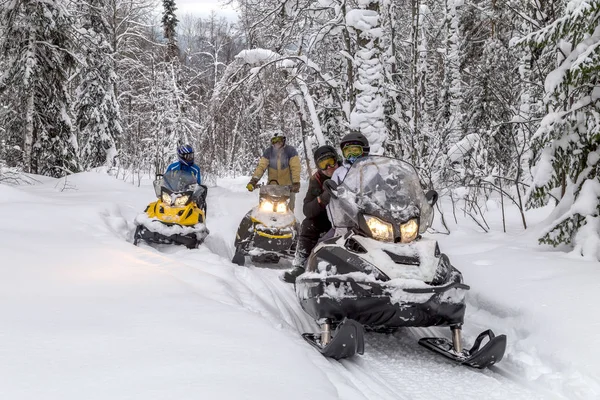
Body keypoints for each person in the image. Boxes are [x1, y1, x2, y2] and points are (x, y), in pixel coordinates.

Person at [281, 145, 340, 283]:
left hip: (352, 215)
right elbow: (307, 209)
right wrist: (321, 199)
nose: (329, 167)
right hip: (328, 219)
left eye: (331, 161)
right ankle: (300, 265)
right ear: (319, 167)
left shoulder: (348, 171)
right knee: (308, 224)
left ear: (337, 159)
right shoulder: (317, 180)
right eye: (323, 164)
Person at [246, 132, 301, 210]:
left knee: (289, 211)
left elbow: (295, 167)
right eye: (274, 141)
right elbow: (261, 167)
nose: (277, 143)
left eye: (279, 140)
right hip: (272, 187)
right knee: (263, 209)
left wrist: (296, 183)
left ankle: (291, 221)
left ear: (284, 140)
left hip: (288, 188)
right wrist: (253, 181)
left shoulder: (290, 151)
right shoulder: (268, 152)